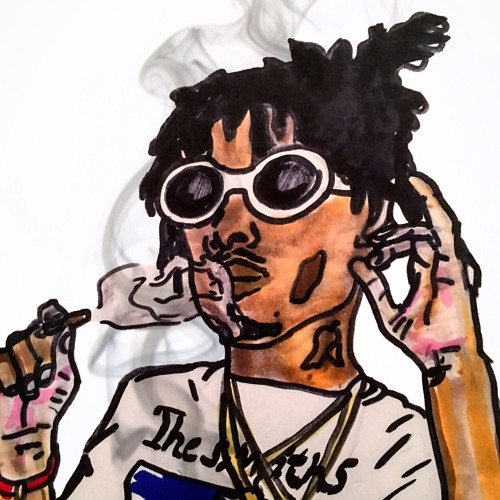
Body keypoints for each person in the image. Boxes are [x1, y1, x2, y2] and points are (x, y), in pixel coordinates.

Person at [0, 12, 498, 499]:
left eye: (285, 183)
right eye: (198, 192)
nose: (230, 226)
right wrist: (22, 459)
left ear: (373, 216)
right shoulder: (150, 407)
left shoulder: (403, 450)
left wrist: (455, 368)